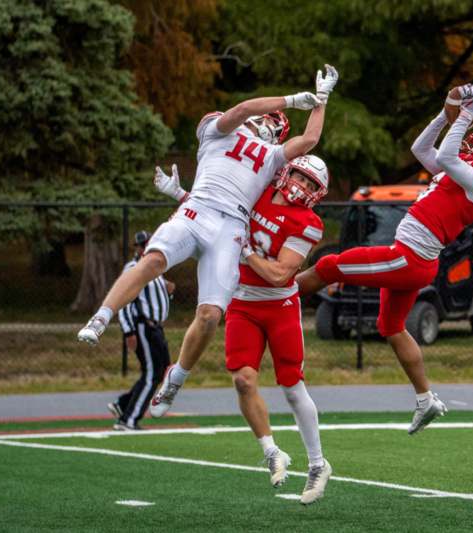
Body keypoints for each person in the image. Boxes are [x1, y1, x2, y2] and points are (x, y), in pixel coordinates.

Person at [77, 65, 339, 414]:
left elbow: (308, 142)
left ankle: (177, 377)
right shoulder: (219, 131)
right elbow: (243, 110)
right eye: (268, 117)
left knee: (211, 315)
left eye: (275, 123)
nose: (267, 123)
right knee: (153, 260)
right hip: (198, 210)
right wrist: (291, 99)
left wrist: (321, 100)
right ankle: (101, 316)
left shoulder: (273, 159)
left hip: (231, 229)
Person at [295, 84, 473, 434]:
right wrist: (444, 112)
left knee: (329, 266)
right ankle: (425, 399)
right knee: (389, 326)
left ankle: (269, 298)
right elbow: (420, 148)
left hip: (409, 258)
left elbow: (449, 157)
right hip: (417, 259)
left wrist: (465, 116)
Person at [154, 155, 332, 504]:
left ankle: (317, 463)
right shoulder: (257, 191)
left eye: (311, 185)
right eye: (300, 176)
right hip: (242, 301)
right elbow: (217, 213)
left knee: (292, 388)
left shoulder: (308, 222)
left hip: (279, 305)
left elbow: (282, 273)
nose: (301, 186)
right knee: (242, 379)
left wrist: (248, 254)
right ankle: (270, 451)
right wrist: (180, 195)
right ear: (286, 171)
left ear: (317, 194)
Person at [107, 230, 174, 430]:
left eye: (149, 243)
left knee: (163, 371)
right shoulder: (134, 267)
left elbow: (157, 299)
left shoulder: (157, 266)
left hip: (156, 326)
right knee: (152, 373)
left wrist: (169, 293)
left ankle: (123, 405)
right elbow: (125, 300)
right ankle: (129, 419)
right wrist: (129, 331)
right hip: (144, 326)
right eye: (143, 245)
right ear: (137, 248)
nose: (146, 248)